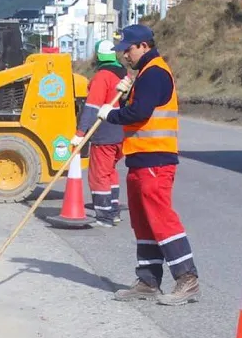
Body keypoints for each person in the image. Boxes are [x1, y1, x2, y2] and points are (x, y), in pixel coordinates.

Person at [98, 24, 200, 305]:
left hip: (156, 158)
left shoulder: (154, 72)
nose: (124, 56)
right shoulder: (143, 74)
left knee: (161, 219)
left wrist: (112, 114)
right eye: (122, 51)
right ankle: (148, 280)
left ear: (144, 45)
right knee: (142, 223)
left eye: (128, 50)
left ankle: (187, 279)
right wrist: (129, 90)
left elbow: (140, 112)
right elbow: (140, 105)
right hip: (140, 158)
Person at [71, 38, 127, 227]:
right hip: (121, 132)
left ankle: (104, 217)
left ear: (98, 56)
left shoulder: (103, 76)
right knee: (110, 172)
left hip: (104, 132)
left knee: (99, 174)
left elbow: (92, 107)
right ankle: (113, 211)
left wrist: (80, 132)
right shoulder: (123, 74)